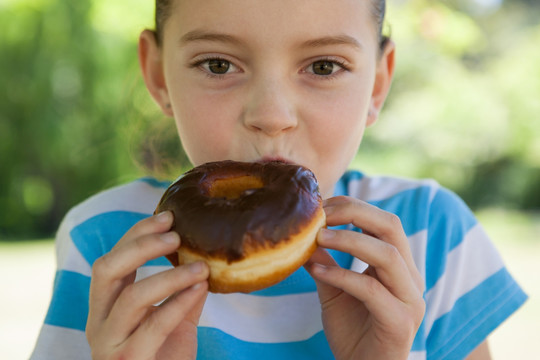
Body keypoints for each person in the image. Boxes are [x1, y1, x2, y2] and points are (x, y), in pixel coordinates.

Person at [31, 0, 527, 359]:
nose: (271, 115)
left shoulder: (430, 237)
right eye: (218, 64)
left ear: (377, 82)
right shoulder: (107, 247)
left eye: (324, 66)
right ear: (159, 75)